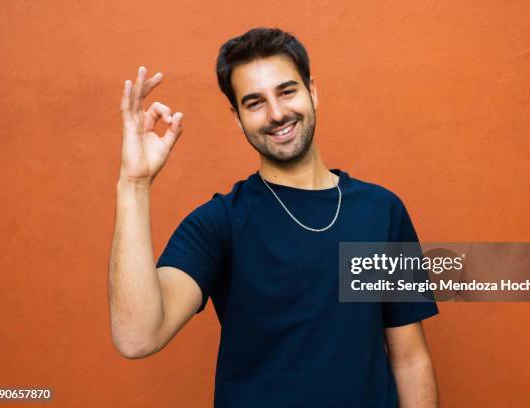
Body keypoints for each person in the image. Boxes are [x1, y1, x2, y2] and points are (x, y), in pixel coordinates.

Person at [109, 27, 440, 408]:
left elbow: (410, 359)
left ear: (312, 91)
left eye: (287, 91)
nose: (277, 113)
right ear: (237, 118)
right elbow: (137, 337)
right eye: (254, 102)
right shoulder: (220, 224)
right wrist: (133, 183)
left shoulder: (380, 212)